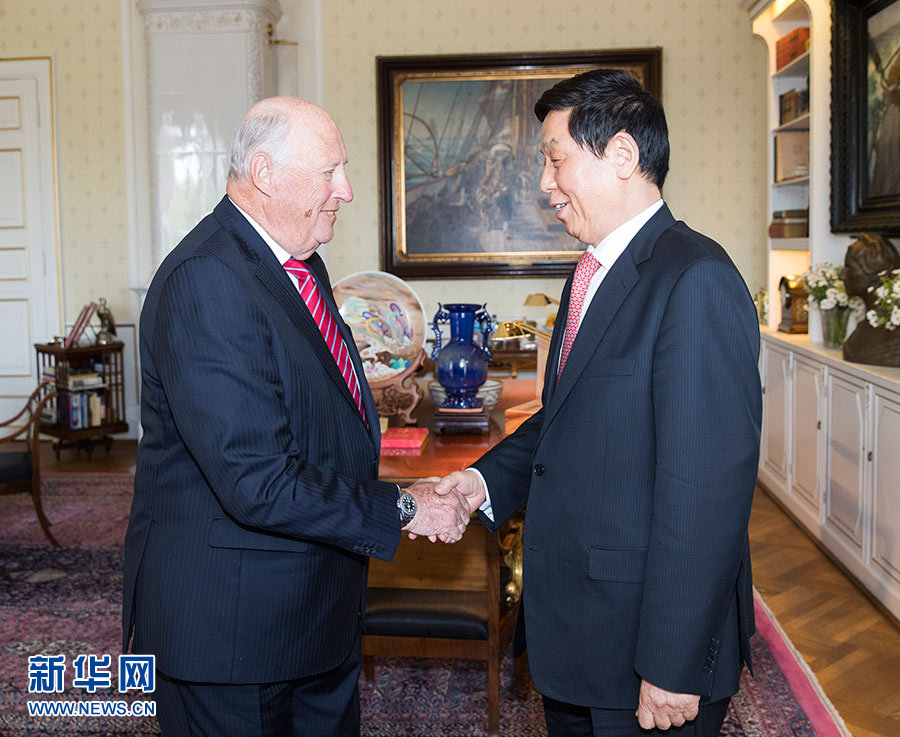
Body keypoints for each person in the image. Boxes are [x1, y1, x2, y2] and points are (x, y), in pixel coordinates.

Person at [122, 97, 469, 737]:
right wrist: (405, 507)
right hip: (234, 632)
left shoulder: (296, 260)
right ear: (265, 173)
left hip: (313, 612)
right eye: (329, 171)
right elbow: (257, 480)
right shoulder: (208, 279)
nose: (347, 190)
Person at [434, 69, 762, 737]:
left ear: (621, 154)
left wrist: (672, 663)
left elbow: (705, 494)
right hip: (578, 634)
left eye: (555, 160)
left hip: (646, 645)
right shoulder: (589, 274)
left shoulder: (695, 278)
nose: (544, 182)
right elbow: (561, 424)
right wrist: (478, 483)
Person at [842, 232, 900, 366]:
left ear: (877, 276)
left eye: (850, 268)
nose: (842, 276)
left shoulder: (894, 339)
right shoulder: (863, 329)